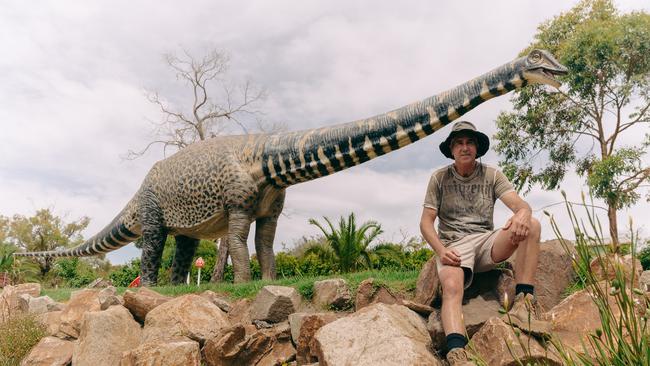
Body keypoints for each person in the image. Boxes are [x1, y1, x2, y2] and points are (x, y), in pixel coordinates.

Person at [419, 121, 551, 365]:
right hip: (454, 245)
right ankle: (457, 352)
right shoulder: (438, 178)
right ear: (451, 149)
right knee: (451, 286)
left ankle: (524, 303)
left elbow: (520, 205)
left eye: (470, 142)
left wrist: (522, 214)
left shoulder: (492, 174)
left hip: (487, 243)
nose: (465, 147)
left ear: (477, 148)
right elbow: (426, 223)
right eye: (459, 142)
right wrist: (441, 250)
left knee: (532, 224)